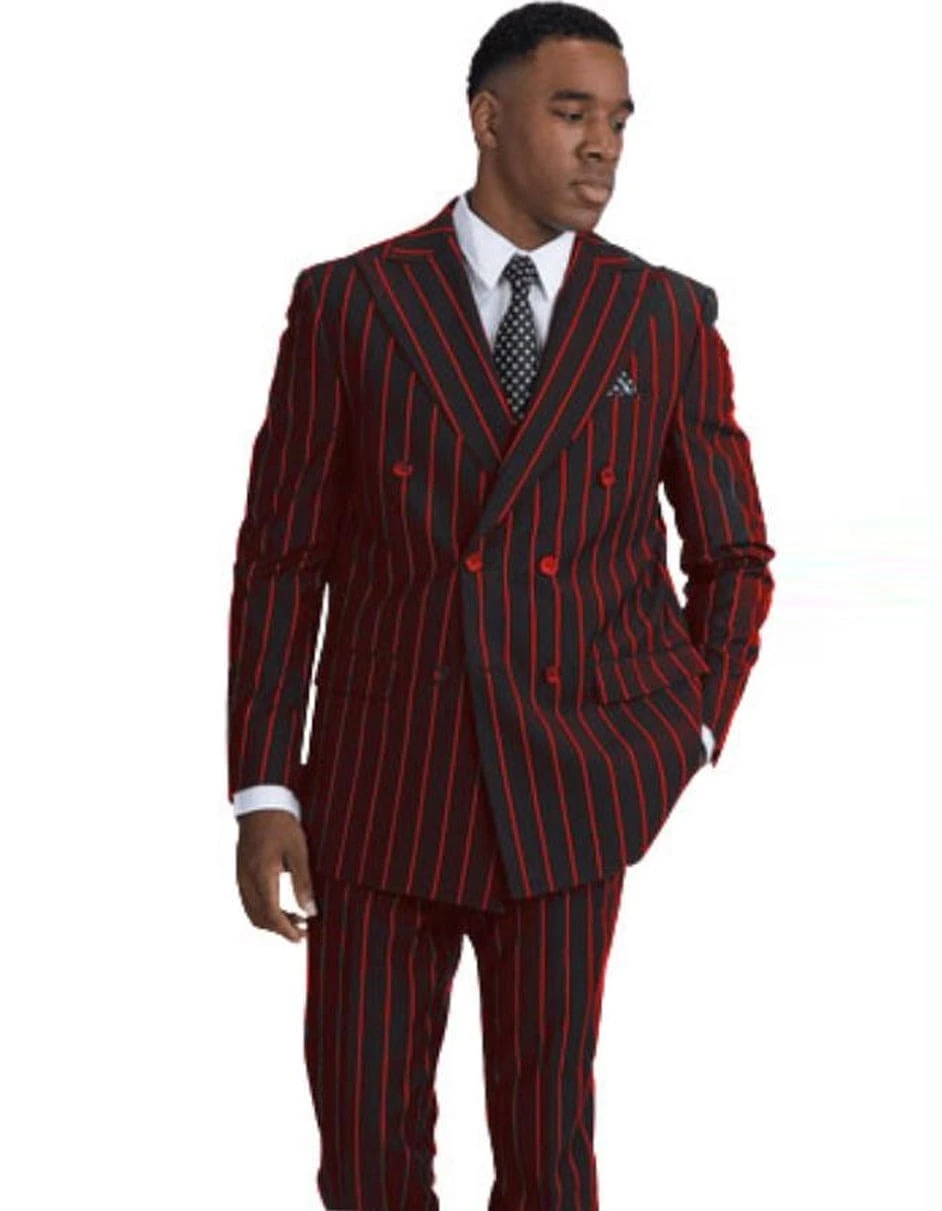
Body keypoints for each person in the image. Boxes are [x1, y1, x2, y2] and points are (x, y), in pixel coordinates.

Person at [226, 3, 776, 1207]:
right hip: (380, 785)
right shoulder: (351, 301)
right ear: (487, 119)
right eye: (571, 112)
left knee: (548, 1155)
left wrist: (686, 730)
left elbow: (734, 553)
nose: (603, 145)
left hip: (573, 786)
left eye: (619, 119)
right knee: (364, 1151)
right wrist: (265, 786)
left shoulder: (664, 314)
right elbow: (282, 559)